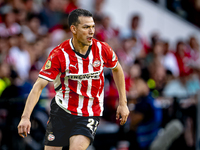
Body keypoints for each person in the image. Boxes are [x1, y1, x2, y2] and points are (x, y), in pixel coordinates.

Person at [17, 8, 129, 150]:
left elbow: (117, 69)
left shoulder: (102, 49)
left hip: (88, 113)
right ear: (74, 29)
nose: (91, 31)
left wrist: (123, 103)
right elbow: (38, 86)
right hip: (62, 112)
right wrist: (25, 117)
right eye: (86, 27)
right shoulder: (59, 55)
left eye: (93, 26)